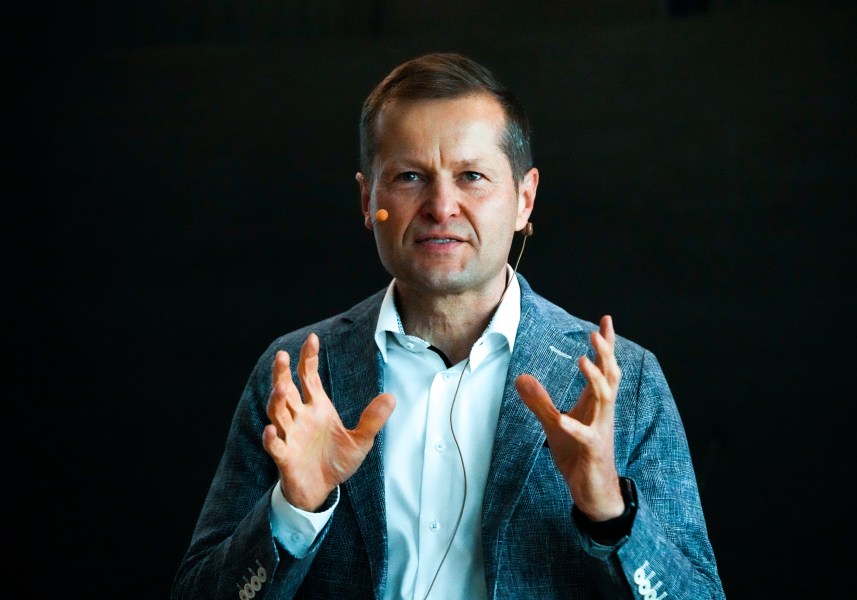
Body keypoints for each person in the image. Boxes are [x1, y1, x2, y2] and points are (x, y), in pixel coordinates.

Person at [171, 52, 725, 600]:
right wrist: (295, 511)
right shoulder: (296, 375)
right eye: (410, 176)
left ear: (523, 199)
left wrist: (610, 513)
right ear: (368, 200)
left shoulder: (622, 379)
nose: (441, 206)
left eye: (472, 177)